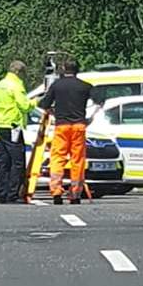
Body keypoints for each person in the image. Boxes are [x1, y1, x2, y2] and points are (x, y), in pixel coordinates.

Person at [38, 58, 93, 205]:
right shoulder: (85, 86)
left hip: (62, 126)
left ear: (63, 69)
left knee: (57, 158)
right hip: (79, 126)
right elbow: (100, 101)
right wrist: (90, 118)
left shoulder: (57, 86)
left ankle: (56, 192)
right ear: (77, 70)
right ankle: (75, 194)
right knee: (77, 160)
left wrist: (53, 112)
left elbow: (43, 103)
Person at [0, 60, 33, 204]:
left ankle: (2, 194)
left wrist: (0, 113)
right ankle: (13, 194)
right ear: (18, 72)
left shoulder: (0, 84)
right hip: (13, 125)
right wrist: (36, 102)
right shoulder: (16, 85)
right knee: (17, 161)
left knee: (3, 160)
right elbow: (24, 106)